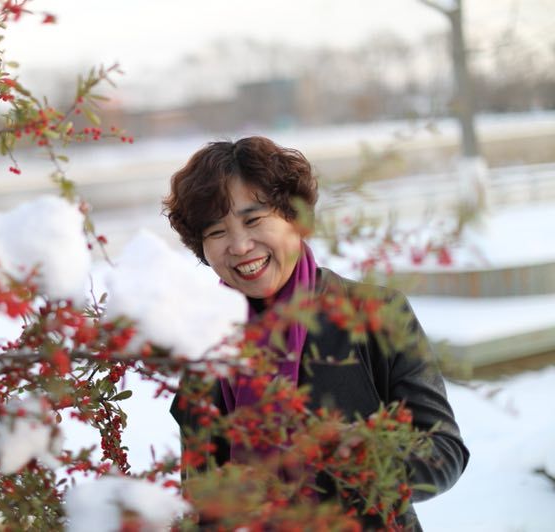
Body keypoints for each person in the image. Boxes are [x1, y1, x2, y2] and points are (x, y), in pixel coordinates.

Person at [163, 136, 469, 530]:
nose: (239, 245)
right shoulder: (207, 340)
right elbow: (199, 491)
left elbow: (445, 454)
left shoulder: (374, 313)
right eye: (217, 231)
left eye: (254, 220)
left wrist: (369, 456)